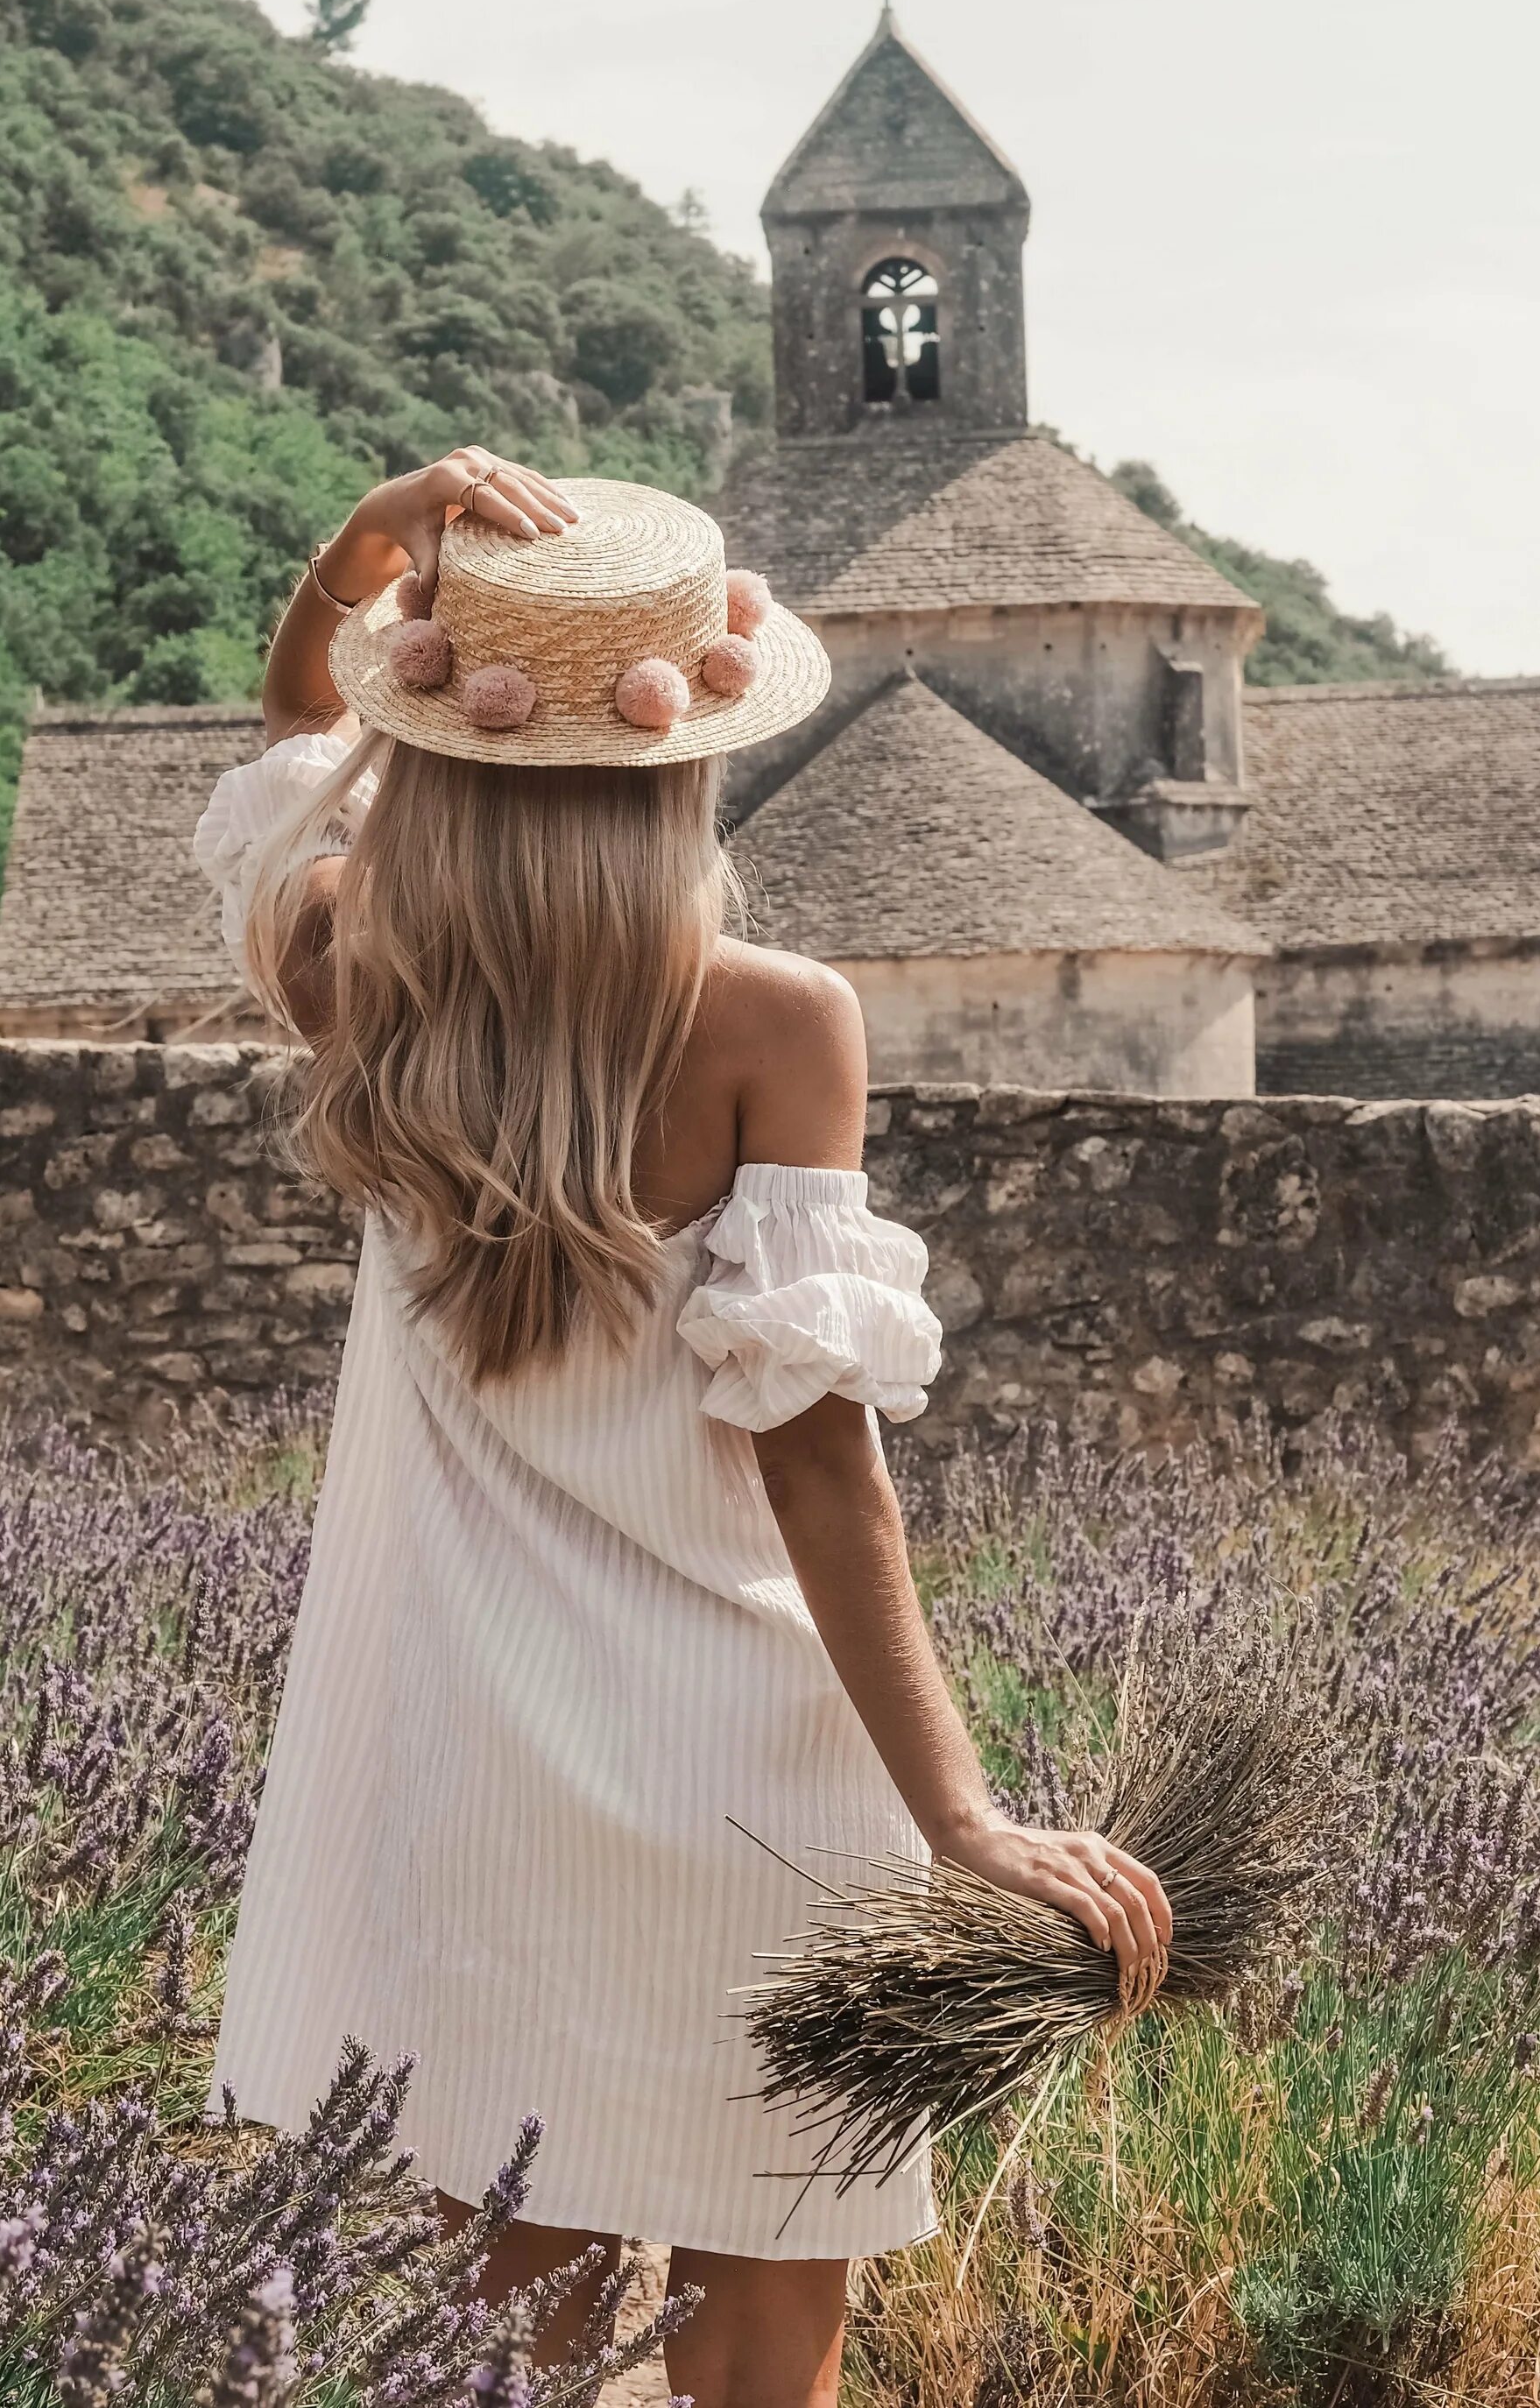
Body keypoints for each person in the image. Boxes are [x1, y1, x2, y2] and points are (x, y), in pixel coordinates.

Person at [196, 448, 1171, 2408]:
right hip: (756, 1767)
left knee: (517, 2338)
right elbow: (823, 1461)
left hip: (478, 1779)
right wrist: (962, 1818)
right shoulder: (776, 1021)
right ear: (692, 748)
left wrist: (363, 551)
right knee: (766, 2329)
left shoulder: (350, 970)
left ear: (442, 743)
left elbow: (294, 738)